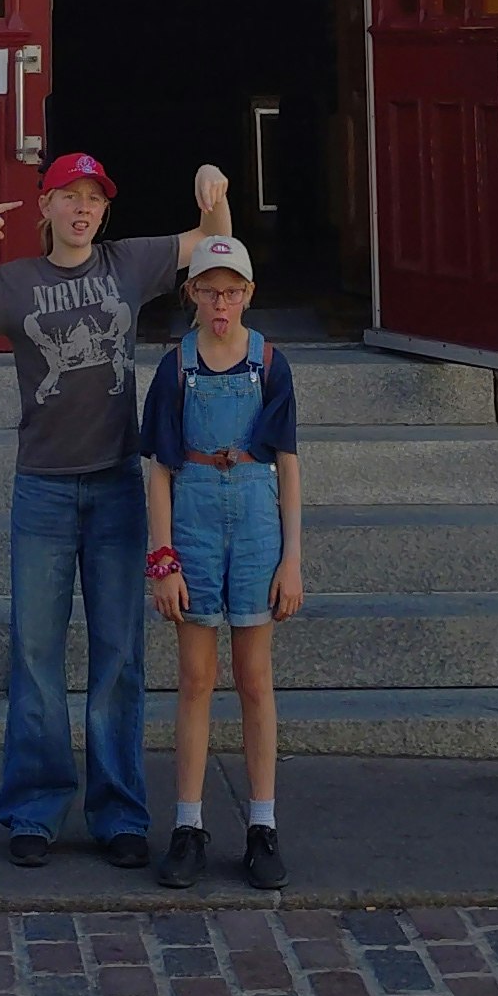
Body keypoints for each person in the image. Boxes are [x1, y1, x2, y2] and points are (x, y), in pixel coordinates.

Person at [0, 144, 231, 866]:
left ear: (104, 211)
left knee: (119, 654)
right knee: (35, 653)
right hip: (45, 490)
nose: (83, 209)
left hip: (118, 484)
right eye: (68, 196)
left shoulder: (128, 264)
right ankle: (34, 809)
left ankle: (118, 813)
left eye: (94, 199)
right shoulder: (16, 283)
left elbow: (216, 249)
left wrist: (211, 193)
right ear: (46, 208)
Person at [140, 232, 303, 890]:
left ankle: (262, 824)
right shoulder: (175, 369)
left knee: (255, 678)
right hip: (197, 518)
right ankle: (188, 824)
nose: (221, 304)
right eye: (209, 291)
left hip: (258, 519)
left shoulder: (270, 364)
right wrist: (164, 558)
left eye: (232, 292)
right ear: (191, 295)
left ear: (248, 296)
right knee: (196, 678)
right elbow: (159, 470)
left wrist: (292, 557)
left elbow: (287, 465)